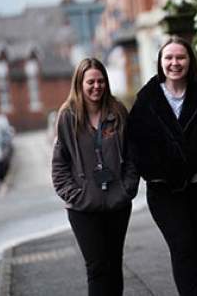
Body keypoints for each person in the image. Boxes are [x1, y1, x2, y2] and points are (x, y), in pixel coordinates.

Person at [127, 37, 197, 296]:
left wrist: (193, 157)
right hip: (164, 192)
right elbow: (138, 146)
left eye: (180, 57)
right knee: (183, 245)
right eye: (169, 58)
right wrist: (170, 168)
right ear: (160, 62)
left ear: (190, 61)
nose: (174, 63)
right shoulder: (147, 99)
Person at [51, 57, 139, 296]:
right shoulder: (68, 117)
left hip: (117, 204)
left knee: (113, 264)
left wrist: (126, 189)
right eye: (90, 82)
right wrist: (77, 196)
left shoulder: (117, 111)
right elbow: (59, 166)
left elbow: (132, 157)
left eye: (101, 81)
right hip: (83, 209)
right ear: (79, 84)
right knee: (97, 267)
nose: (96, 86)